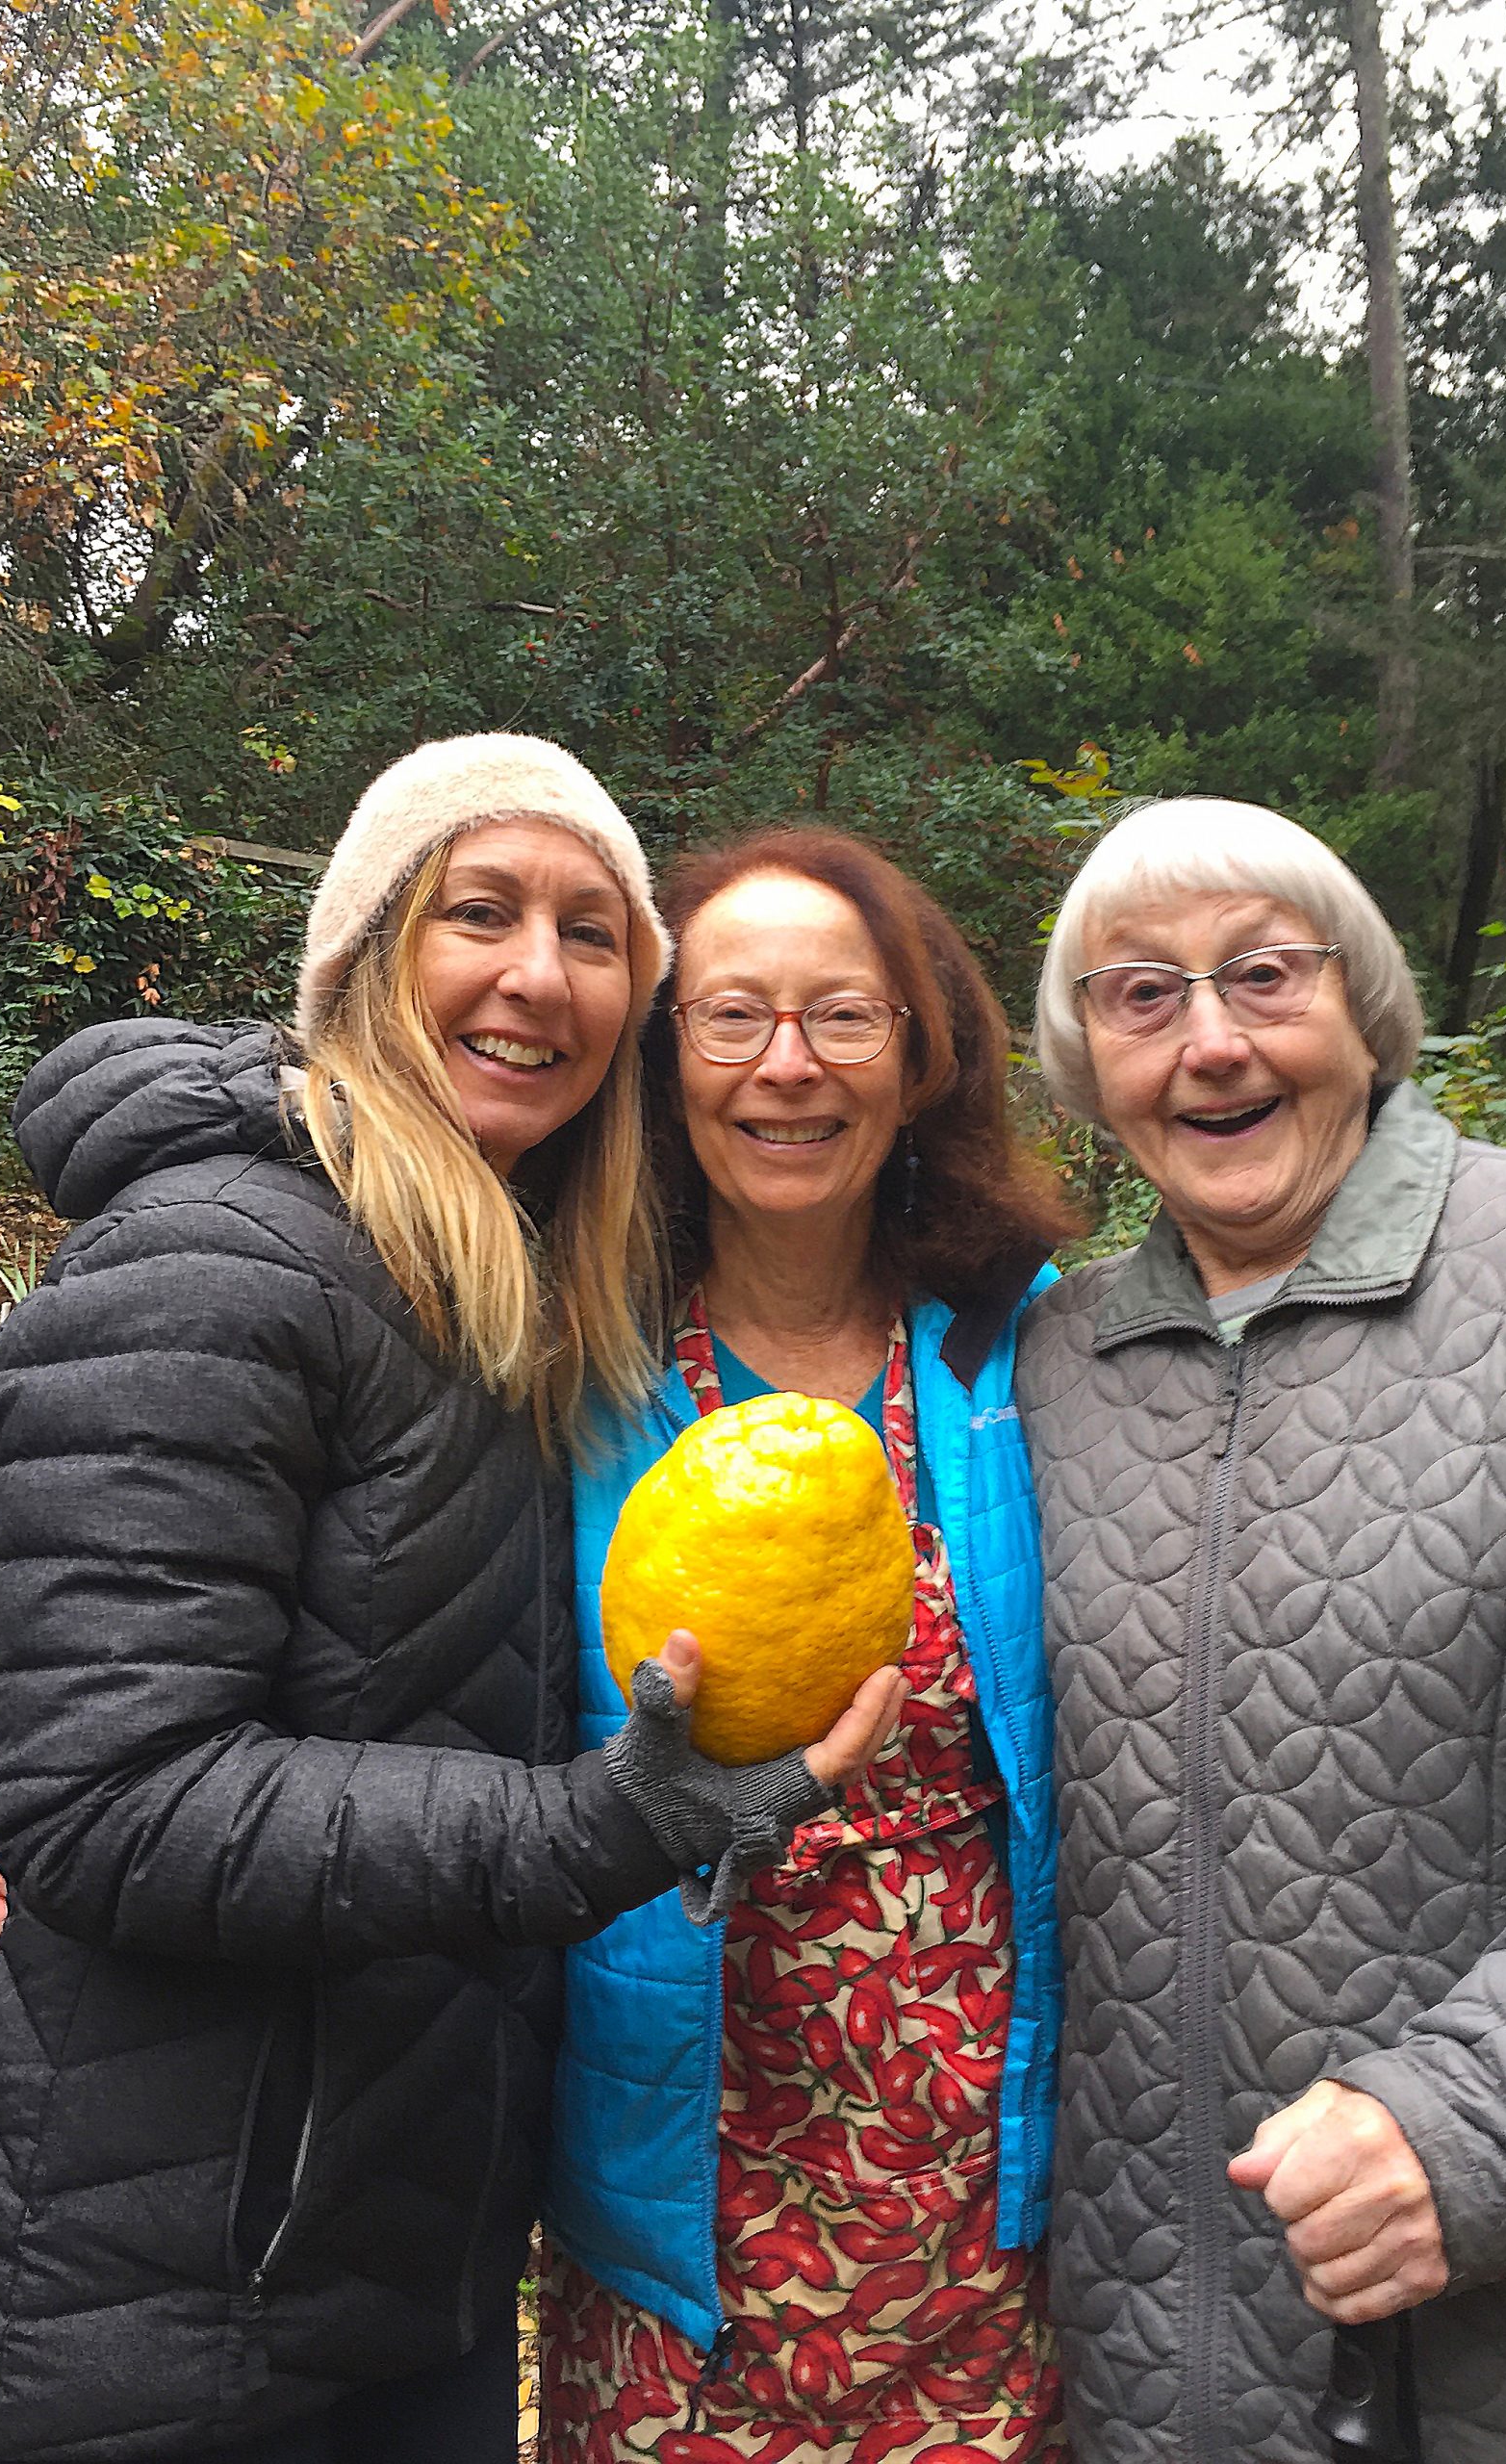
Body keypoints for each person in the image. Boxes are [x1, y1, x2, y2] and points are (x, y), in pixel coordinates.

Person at [0, 736, 899, 2464]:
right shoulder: (216, 1253)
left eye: (593, 935)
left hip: (381, 2260)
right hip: (162, 2291)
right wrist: (598, 1827)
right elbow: (110, 1802)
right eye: (482, 911)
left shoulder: (496, 1288)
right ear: (366, 954)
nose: (538, 974)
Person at [1015, 793, 1506, 2463]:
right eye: (1141, 995)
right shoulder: (1055, 1369)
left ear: (1364, 1013)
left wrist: (1471, 2121)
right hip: (1169, 2353)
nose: (1209, 1043)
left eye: (1264, 977)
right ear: (1089, 1070)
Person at [537, 830, 1081, 2461]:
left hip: (981, 2194)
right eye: (731, 1018)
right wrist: (27, 1770)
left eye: (846, 1017)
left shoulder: (1029, 1345)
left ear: (920, 1061)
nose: (790, 1067)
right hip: (676, 2183)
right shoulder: (558, 1352)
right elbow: (352, 1600)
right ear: (662, 1058)